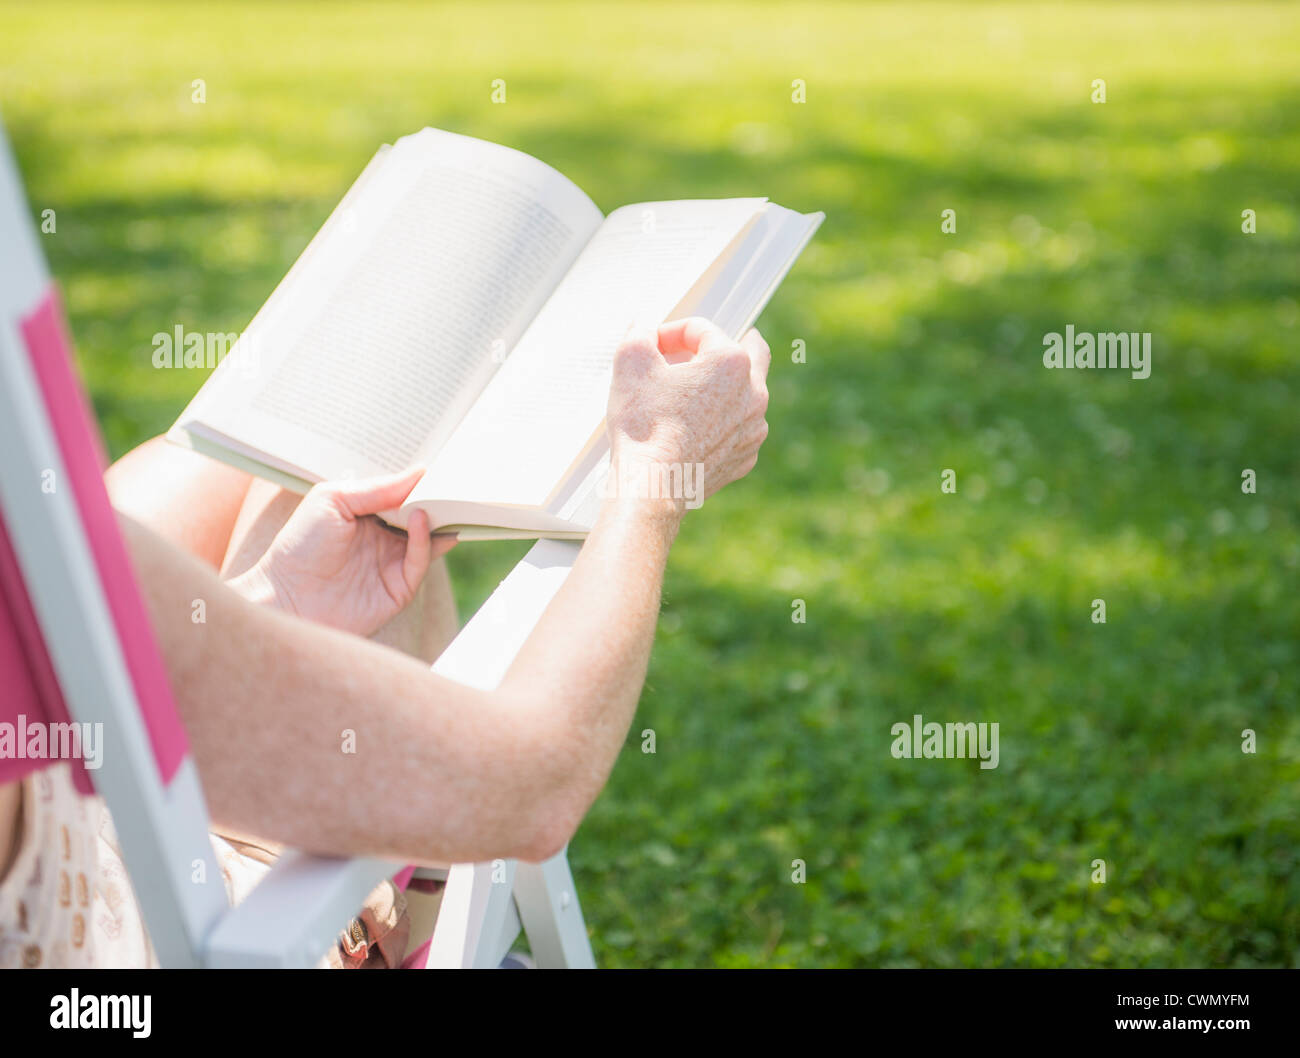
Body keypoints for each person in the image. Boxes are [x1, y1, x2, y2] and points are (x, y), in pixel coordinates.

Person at [0, 318, 770, 965]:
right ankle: (390, 935)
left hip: (74, 831)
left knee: (259, 468)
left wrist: (274, 599)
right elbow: (532, 781)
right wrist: (654, 474)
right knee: (357, 498)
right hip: (186, 933)